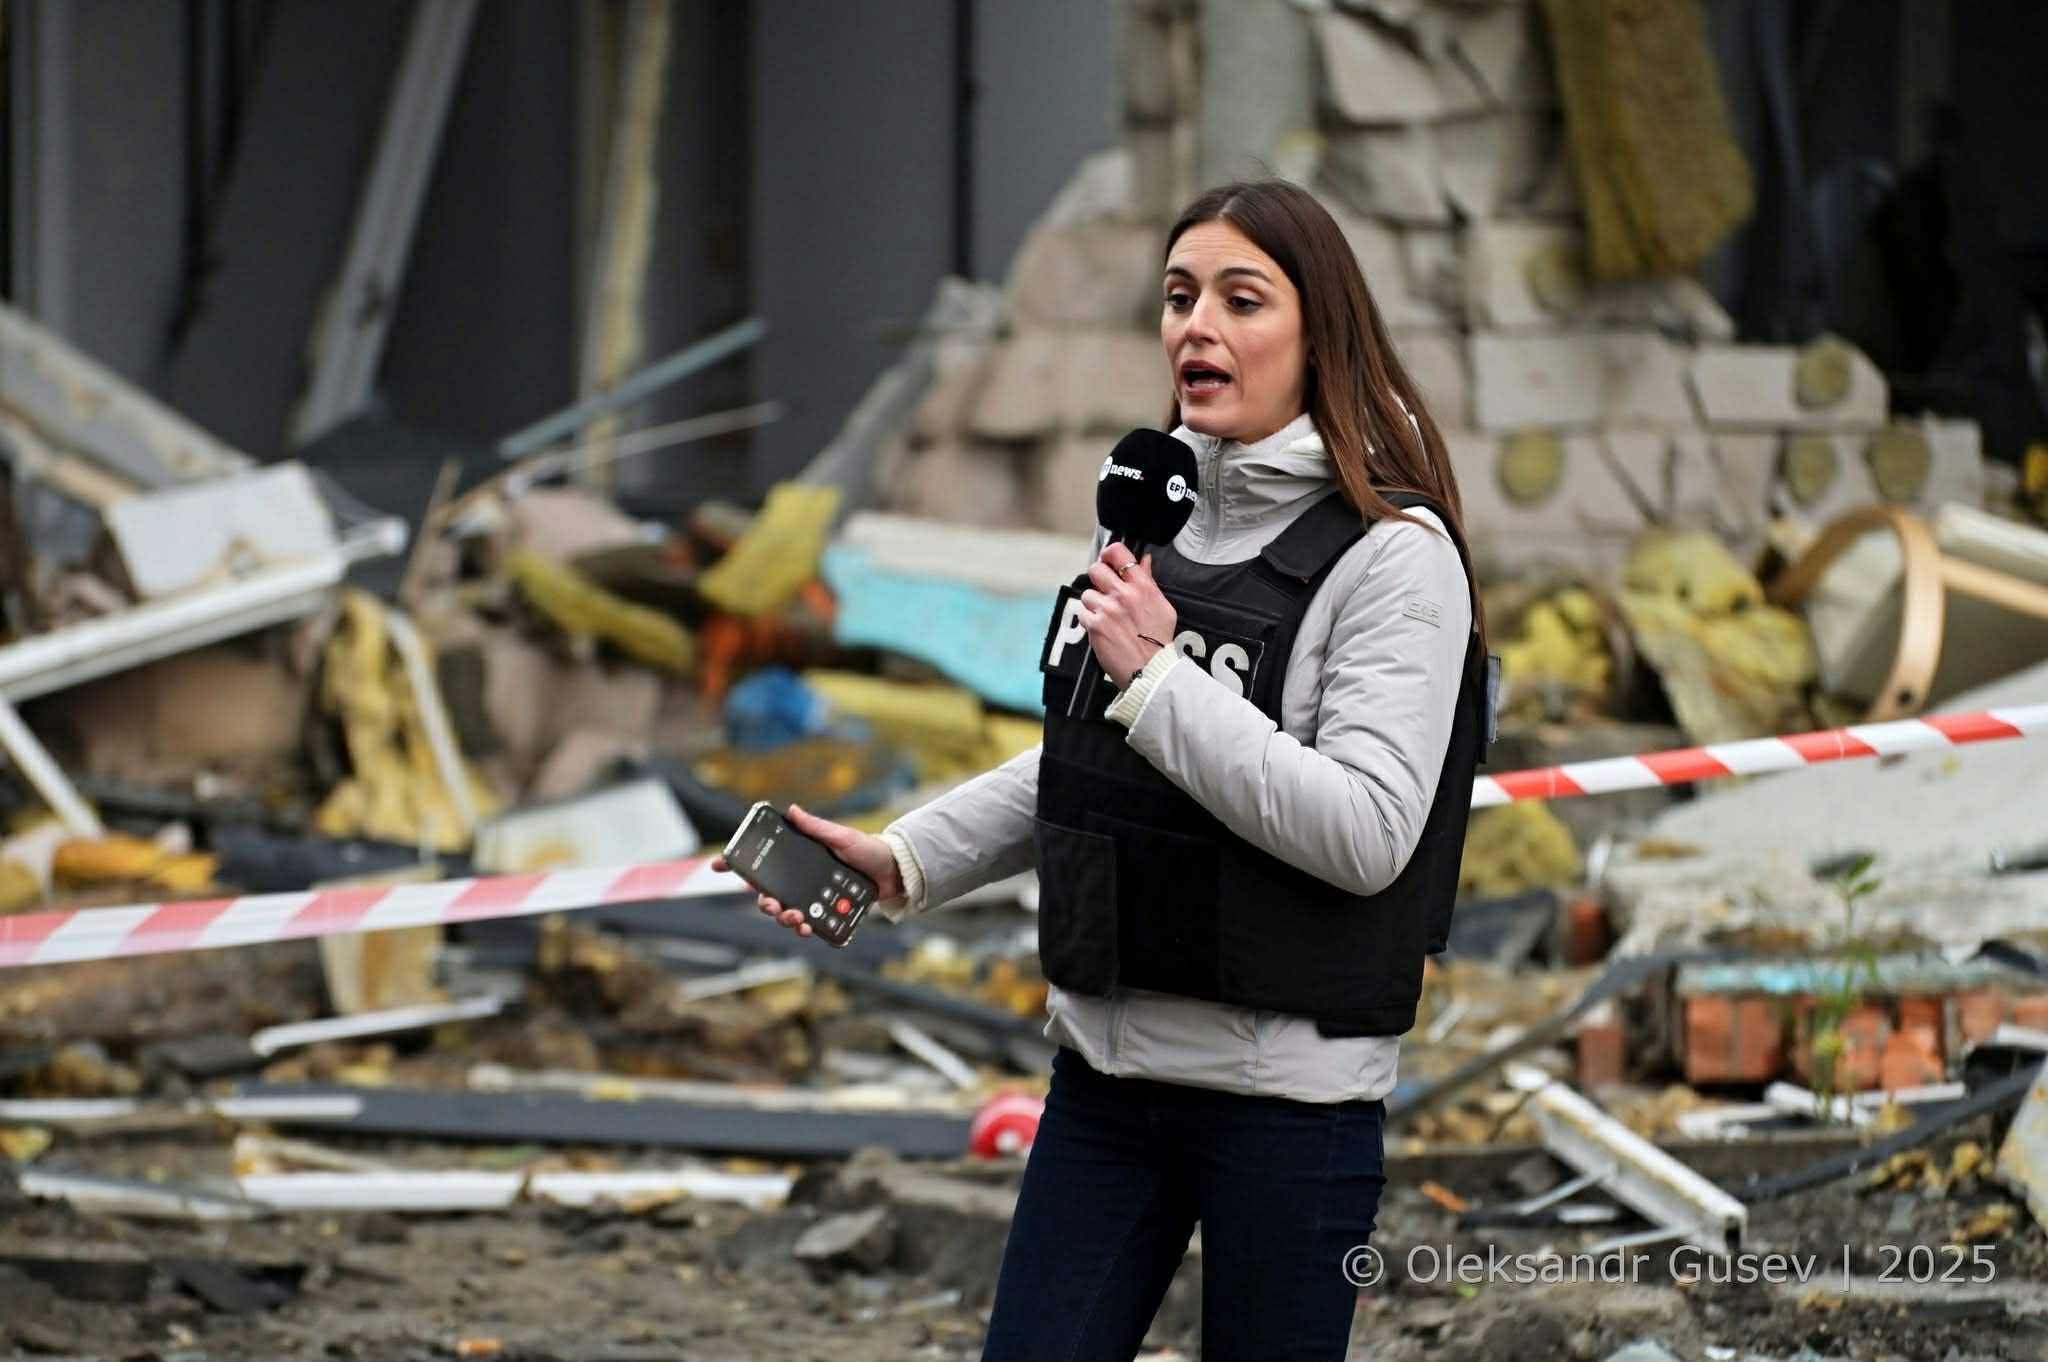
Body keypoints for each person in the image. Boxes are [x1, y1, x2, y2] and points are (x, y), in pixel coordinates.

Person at [712, 179, 1488, 1362]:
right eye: (1178, 297)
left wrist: (1160, 677)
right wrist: (903, 860)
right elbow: (1089, 760)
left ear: (1319, 333)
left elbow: (1367, 830)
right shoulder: (1143, 521)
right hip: (1106, 1086)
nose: (1196, 327)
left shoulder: (1392, 555)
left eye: (1240, 299)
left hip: (1287, 1105)